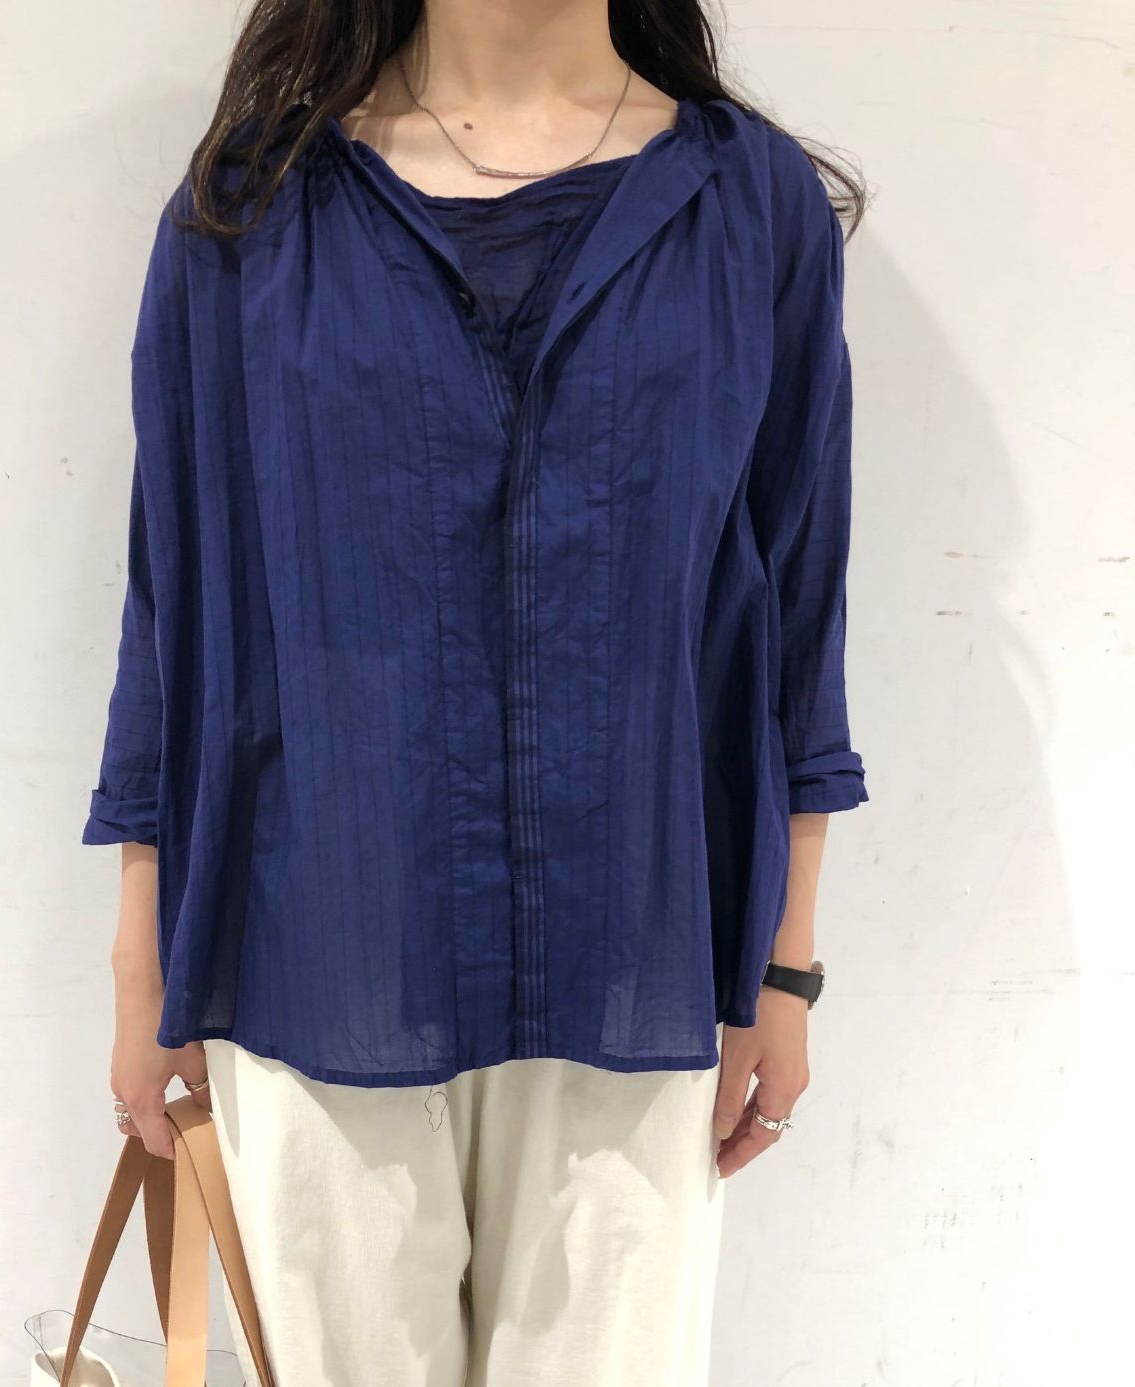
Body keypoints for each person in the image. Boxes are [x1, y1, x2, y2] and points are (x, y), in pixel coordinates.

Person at [85, 2, 869, 1383]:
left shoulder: (749, 206)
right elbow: (179, 600)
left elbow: (796, 604)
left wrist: (786, 964)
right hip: (318, 954)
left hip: (641, 957)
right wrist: (143, 958)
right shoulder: (250, 207)